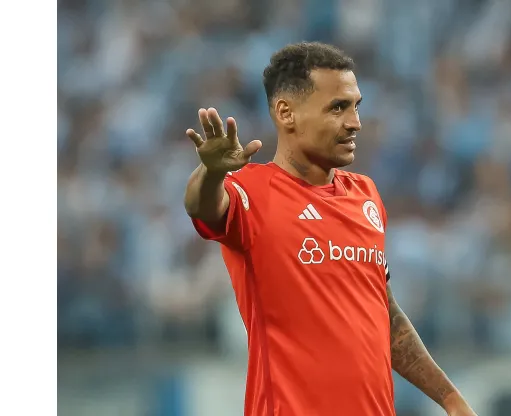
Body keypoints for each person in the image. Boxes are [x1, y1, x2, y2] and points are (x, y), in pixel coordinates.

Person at [184, 42, 476, 416]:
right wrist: (211, 173)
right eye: (338, 107)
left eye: (356, 106)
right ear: (286, 113)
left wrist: (450, 399)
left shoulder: (365, 195)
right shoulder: (251, 190)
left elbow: (383, 315)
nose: (354, 121)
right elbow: (202, 206)